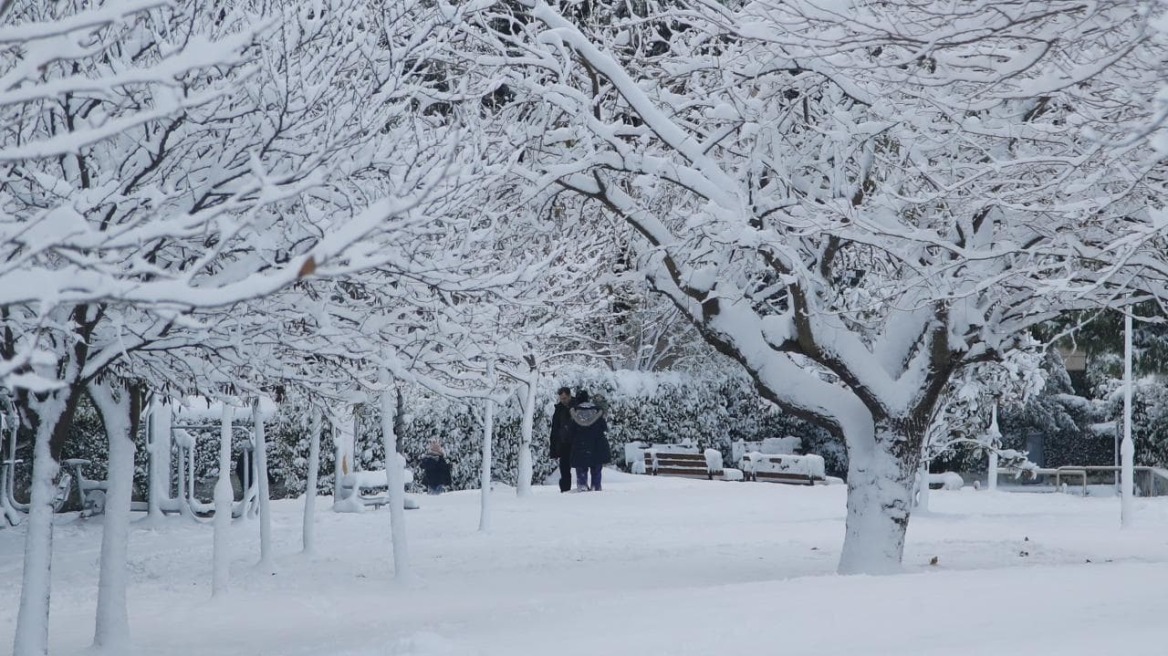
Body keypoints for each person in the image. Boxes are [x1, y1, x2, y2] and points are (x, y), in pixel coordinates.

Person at [567, 390, 610, 492]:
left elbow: (570, 432)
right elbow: (604, 427)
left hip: (580, 446)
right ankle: (596, 486)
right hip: (597, 445)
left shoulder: (574, 414)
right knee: (596, 468)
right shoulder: (597, 412)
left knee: (581, 468)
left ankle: (582, 486)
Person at [549, 387, 574, 493]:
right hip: (563, 443)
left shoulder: (576, 406)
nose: (563, 400)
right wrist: (553, 449)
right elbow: (554, 429)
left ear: (569, 396)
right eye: (561, 398)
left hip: (575, 443)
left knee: (581, 467)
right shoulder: (558, 409)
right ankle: (565, 489)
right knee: (564, 469)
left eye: (564, 398)